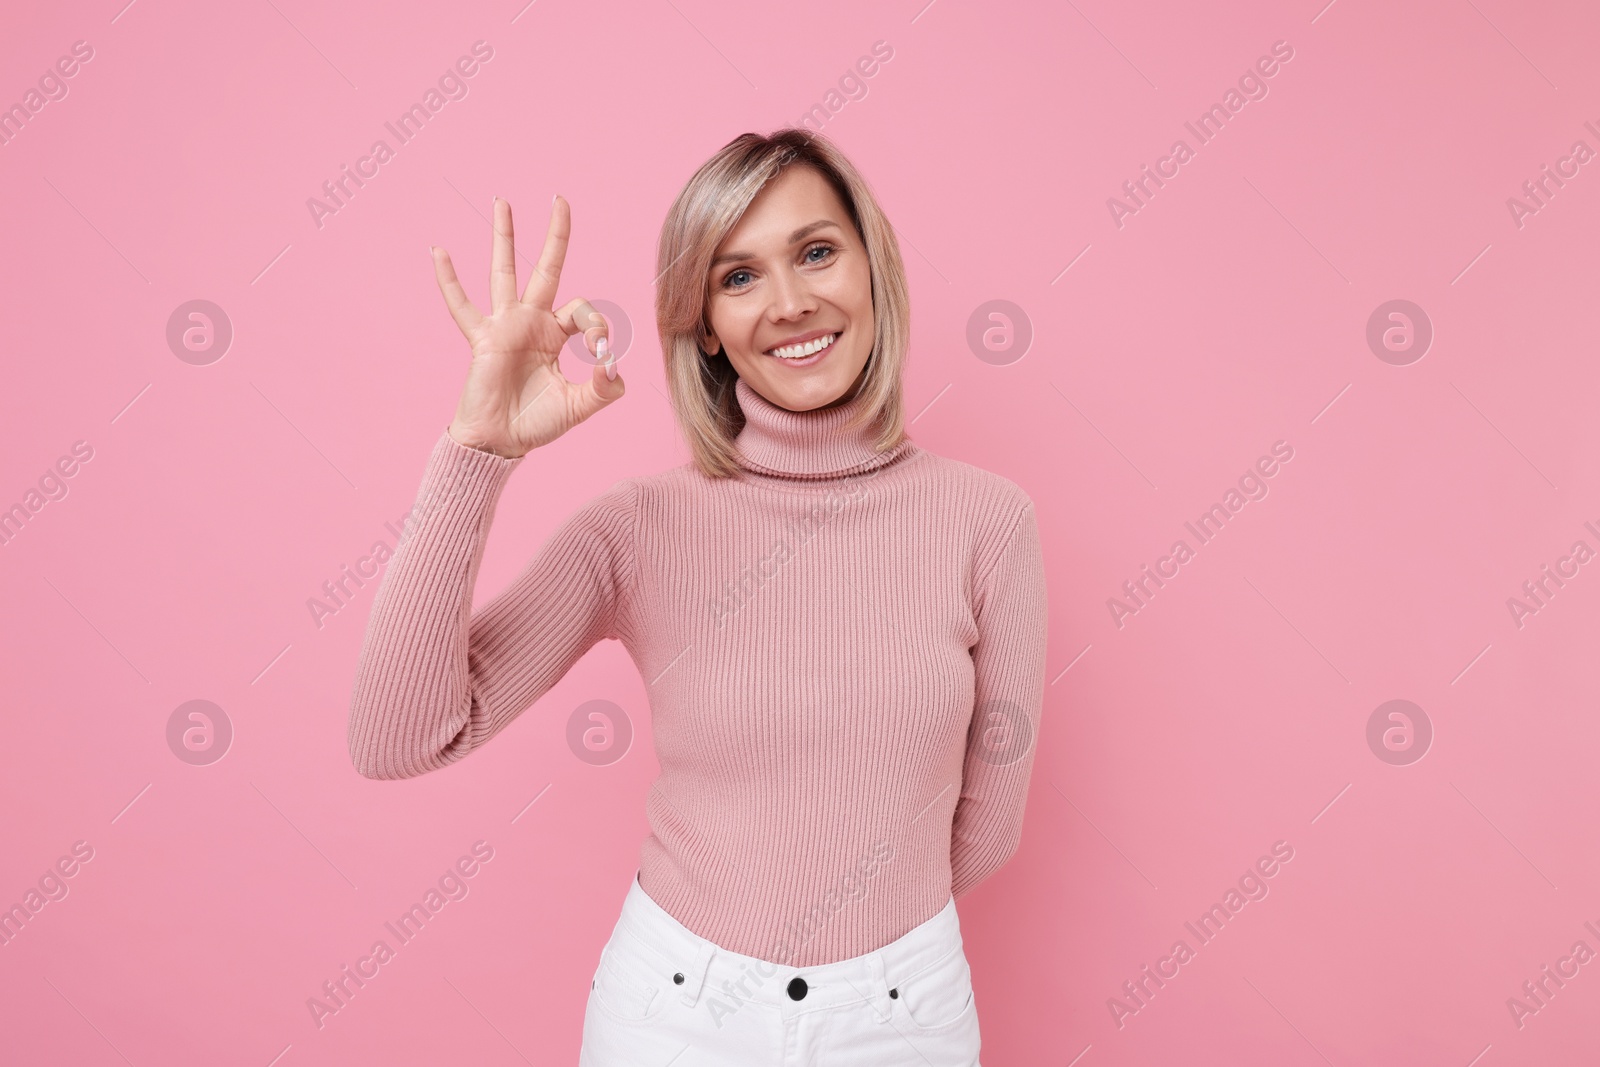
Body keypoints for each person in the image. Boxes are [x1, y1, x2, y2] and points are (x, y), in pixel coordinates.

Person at [346, 128, 1047, 1066]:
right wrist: (479, 447)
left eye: (816, 251)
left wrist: (859, 959)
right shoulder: (637, 529)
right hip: (675, 1016)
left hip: (903, 1015)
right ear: (704, 323)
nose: (791, 302)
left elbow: (988, 825)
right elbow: (399, 736)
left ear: (872, 267)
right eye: (738, 276)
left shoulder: (986, 522)